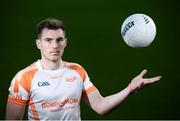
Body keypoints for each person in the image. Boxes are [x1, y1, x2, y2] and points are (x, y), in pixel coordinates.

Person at [6, 18, 161, 120]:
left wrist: (129, 89)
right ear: (38, 44)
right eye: (48, 40)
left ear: (65, 42)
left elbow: (101, 106)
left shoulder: (77, 71)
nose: (54, 45)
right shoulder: (24, 78)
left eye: (59, 40)